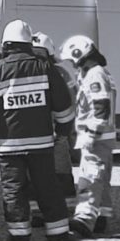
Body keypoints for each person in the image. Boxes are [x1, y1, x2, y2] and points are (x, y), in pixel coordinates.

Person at [0, 20, 76, 241]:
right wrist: (62, 131)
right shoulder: (45, 67)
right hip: (41, 145)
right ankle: (58, 233)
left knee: (14, 190)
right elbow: (63, 104)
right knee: (48, 187)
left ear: (6, 44)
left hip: (8, 146)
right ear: (28, 43)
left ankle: (19, 236)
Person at [61, 35, 117, 237]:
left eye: (72, 60)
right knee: (101, 179)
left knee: (90, 177)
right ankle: (101, 216)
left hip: (95, 136)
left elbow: (101, 108)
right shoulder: (97, 73)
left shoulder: (95, 74)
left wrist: (91, 135)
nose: (72, 64)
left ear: (79, 54)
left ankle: (84, 220)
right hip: (101, 135)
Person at [28, 32, 79, 225]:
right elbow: (72, 101)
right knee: (60, 173)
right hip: (56, 132)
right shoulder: (61, 72)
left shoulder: (22, 70)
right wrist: (67, 129)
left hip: (34, 134)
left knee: (35, 174)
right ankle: (64, 211)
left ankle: (38, 213)